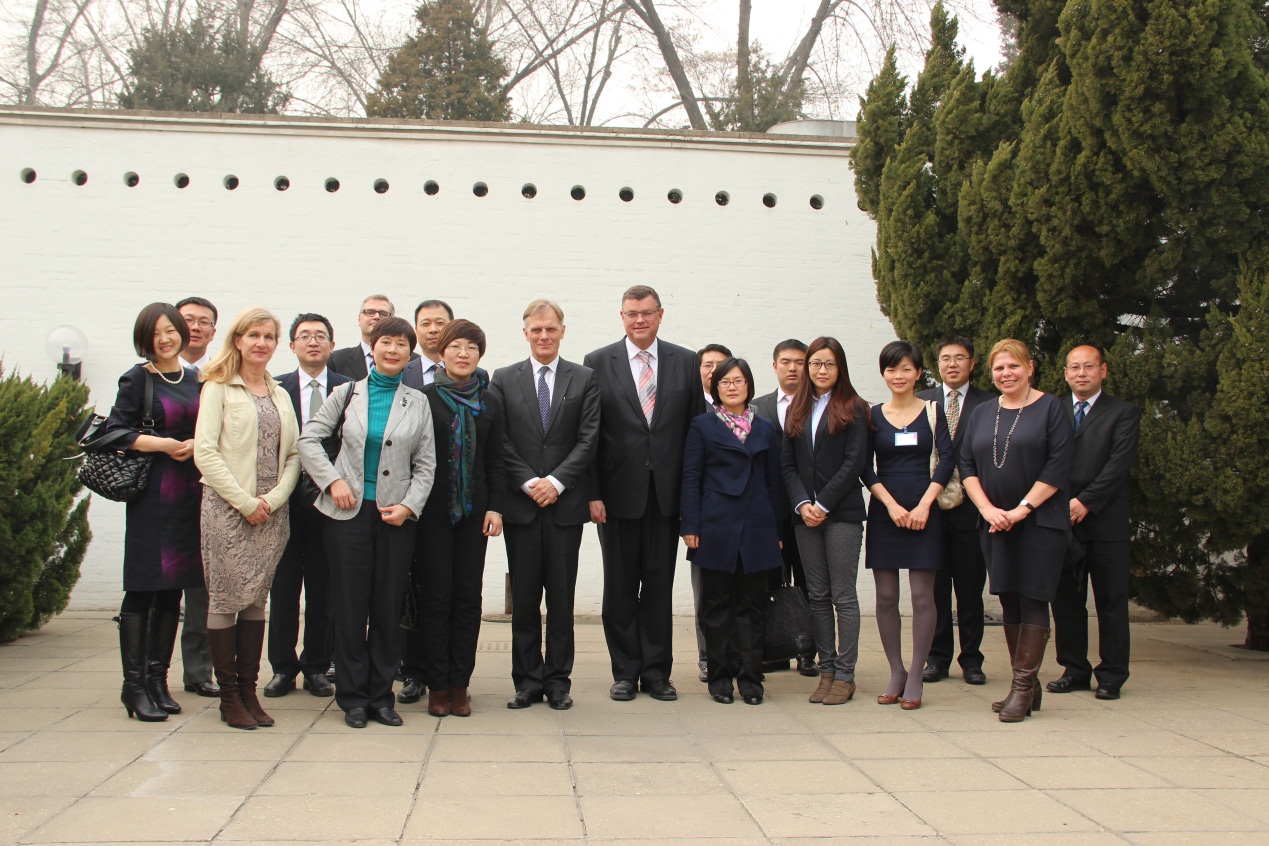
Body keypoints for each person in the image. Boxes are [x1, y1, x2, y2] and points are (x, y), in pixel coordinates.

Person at [298, 316, 436, 728]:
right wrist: (332, 480)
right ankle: (353, 697)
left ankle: (381, 695)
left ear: (410, 354)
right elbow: (309, 440)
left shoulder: (419, 401)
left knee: (388, 606)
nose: (392, 350)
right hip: (348, 516)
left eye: (400, 344)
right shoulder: (346, 393)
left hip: (395, 519)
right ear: (371, 348)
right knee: (350, 605)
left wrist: (409, 507)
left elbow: (426, 464)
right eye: (385, 342)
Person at [584, 286, 706, 702]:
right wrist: (593, 492)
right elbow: (591, 435)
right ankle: (624, 671)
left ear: (660, 315)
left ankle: (657, 673)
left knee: (658, 585)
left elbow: (695, 435)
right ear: (621, 316)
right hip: (616, 497)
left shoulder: (685, 361)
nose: (639, 320)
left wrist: (691, 502)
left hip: (665, 496)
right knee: (619, 586)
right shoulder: (598, 362)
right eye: (631, 313)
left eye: (647, 313)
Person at [194, 307, 302, 730]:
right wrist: (244, 501)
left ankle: (249, 692)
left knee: (257, 600)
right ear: (237, 340)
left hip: (270, 513)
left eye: (269, 337)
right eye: (253, 335)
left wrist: (272, 500)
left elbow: (293, 455)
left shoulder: (279, 393)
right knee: (225, 599)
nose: (261, 343)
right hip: (227, 509)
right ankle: (229, 697)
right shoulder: (218, 387)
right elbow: (206, 452)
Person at [490, 300, 600, 711]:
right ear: (525, 333)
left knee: (561, 599)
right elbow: (499, 438)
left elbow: (588, 438)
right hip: (521, 508)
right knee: (524, 600)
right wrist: (527, 481)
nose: (543, 336)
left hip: (564, 508)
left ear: (562, 331)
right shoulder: (503, 378)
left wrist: (555, 482)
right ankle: (526, 681)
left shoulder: (585, 378)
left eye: (550, 329)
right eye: (536, 329)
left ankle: (558, 682)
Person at [958, 339, 1073, 723]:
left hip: (1040, 523)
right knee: (1008, 599)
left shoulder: (1051, 408)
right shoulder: (983, 412)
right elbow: (967, 465)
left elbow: (1058, 466)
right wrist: (989, 510)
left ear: (1030, 367)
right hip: (994, 524)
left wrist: (1021, 509)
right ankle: (1028, 685)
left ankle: (1021, 688)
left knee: (1034, 599)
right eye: (998, 369)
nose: (1006, 374)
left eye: (1013, 367)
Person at [105, 303, 204, 721]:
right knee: (144, 586)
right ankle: (134, 686)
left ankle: (159, 680)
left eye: (171, 331)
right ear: (145, 339)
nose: (165, 339)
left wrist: (199, 444)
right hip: (153, 494)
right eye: (156, 333)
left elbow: (214, 425)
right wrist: (164, 444)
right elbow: (113, 431)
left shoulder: (198, 379)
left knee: (173, 589)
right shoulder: (138, 378)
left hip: (190, 494)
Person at [408, 319, 506, 718]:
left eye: (471, 347)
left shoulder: (490, 401)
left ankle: (460, 685)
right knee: (435, 597)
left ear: (479, 355)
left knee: (467, 599)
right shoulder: (422, 398)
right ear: (440, 352)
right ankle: (436, 684)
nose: (463, 353)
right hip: (430, 512)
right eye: (455, 346)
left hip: (474, 514)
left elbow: (496, 459)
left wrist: (496, 506)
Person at [681, 357, 784, 705]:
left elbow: (774, 484)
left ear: (749, 385)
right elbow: (691, 478)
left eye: (738, 381)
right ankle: (720, 678)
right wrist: (690, 525)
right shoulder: (702, 426)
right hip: (715, 527)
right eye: (725, 382)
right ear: (715, 388)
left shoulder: (766, 428)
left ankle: (752, 679)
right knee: (716, 606)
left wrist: (776, 530)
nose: (732, 387)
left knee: (752, 607)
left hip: (756, 528)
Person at [263, 314, 352, 698]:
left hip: (331, 500)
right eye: (305, 336)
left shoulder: (350, 390)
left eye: (321, 336)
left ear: (333, 345)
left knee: (324, 588)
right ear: (292, 346)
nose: (313, 342)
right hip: (284, 501)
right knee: (283, 588)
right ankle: (283, 667)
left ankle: (317, 665)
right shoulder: (274, 387)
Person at [862, 341, 953, 710]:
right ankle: (896, 670)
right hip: (887, 511)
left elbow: (947, 460)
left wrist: (923, 505)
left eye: (905, 369)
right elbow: (865, 467)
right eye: (890, 369)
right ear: (883, 374)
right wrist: (893, 506)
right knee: (885, 597)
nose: (898, 376)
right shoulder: (872, 415)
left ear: (918, 373)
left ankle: (916, 674)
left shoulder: (933, 412)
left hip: (924, 512)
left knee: (921, 596)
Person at [781, 336, 870, 706]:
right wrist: (803, 503)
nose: (820, 370)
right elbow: (786, 465)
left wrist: (824, 504)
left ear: (840, 368)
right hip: (805, 517)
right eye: (815, 363)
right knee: (817, 595)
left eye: (828, 364)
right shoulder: (796, 410)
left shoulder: (855, 407)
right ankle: (827, 670)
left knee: (843, 596)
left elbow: (855, 464)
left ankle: (846, 675)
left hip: (842, 515)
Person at [1048, 344, 1140, 701]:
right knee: (1066, 600)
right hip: (1060, 519)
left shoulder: (1123, 412)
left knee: (1111, 601)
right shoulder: (1051, 409)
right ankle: (1074, 669)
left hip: (1105, 523)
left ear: (1103, 371)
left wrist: (1085, 501)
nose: (1081, 373)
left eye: (1089, 366)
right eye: (1074, 367)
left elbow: (1118, 465)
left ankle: (1112, 674)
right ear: (1066, 373)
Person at [918, 337, 995, 686]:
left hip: (970, 511)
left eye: (959, 359)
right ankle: (937, 659)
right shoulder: (924, 402)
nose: (951, 365)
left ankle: (972, 660)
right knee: (936, 589)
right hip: (931, 510)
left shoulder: (989, 404)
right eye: (945, 358)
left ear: (972, 364)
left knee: (968, 588)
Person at [753, 338, 815, 676]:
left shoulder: (818, 405)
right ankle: (776, 649)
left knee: (808, 582)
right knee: (770, 584)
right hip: (768, 512)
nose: (793, 368)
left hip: (806, 510)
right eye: (786, 362)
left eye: (800, 362)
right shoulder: (757, 406)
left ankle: (807, 650)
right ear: (774, 365)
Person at [175, 295, 220, 699]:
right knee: (159, 583)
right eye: (187, 320)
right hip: (167, 490)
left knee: (204, 588)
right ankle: (149, 669)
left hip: (211, 490)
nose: (196, 327)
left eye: (204, 322)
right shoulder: (153, 376)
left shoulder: (217, 377)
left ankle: (198, 670)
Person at [691, 342, 733, 682]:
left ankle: (740, 653)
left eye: (721, 365)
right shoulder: (691, 411)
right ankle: (709, 656)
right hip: (705, 514)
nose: (714, 370)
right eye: (707, 365)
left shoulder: (749, 414)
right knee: (706, 590)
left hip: (741, 517)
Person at [328, 295, 396, 380]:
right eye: (370, 312)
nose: (376, 317)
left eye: (383, 314)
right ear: (359, 319)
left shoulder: (411, 362)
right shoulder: (336, 360)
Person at [401, 300, 453, 389]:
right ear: (416, 331)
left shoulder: (471, 374)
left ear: (452, 327)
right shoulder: (401, 374)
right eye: (426, 324)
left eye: (440, 323)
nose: (433, 329)